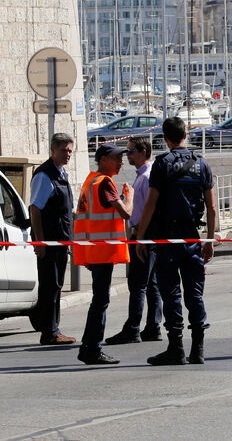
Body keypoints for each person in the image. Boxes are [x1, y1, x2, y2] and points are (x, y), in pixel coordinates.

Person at [135, 117, 216, 366]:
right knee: (195, 294)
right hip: (192, 236)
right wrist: (209, 240)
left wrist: (140, 237)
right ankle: (198, 349)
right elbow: (212, 208)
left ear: (165, 138)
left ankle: (176, 348)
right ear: (185, 135)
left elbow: (150, 203)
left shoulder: (162, 164)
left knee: (171, 294)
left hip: (167, 238)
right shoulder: (201, 164)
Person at [74, 143, 133, 365]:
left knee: (99, 300)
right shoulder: (104, 183)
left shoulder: (90, 181)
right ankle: (92, 348)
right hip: (102, 251)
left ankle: (88, 347)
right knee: (100, 301)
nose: (121, 162)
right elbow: (126, 213)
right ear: (103, 160)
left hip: (94, 250)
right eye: (117, 158)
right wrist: (130, 196)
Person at [105, 136, 162, 346]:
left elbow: (150, 209)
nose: (127, 155)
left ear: (142, 152)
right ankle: (153, 326)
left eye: (130, 151)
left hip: (143, 234)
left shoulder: (146, 177)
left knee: (138, 283)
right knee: (151, 283)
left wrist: (140, 234)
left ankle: (133, 328)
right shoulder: (145, 175)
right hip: (146, 234)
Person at [28, 133, 77, 347]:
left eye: (70, 151)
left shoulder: (61, 174)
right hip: (49, 243)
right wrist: (40, 241)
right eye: (64, 150)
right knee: (49, 286)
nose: (68, 154)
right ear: (53, 150)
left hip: (61, 242)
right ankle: (49, 332)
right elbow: (35, 209)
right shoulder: (44, 176)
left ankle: (53, 329)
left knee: (55, 285)